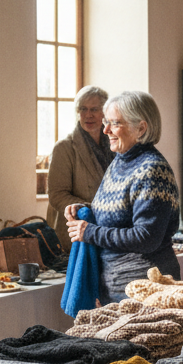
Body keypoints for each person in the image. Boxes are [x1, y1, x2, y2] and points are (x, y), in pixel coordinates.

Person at [65, 91, 180, 302]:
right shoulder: (120, 161)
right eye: (106, 122)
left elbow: (146, 237)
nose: (106, 129)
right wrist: (86, 210)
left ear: (141, 128)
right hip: (118, 286)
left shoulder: (152, 170)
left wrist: (89, 232)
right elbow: (121, 212)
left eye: (114, 123)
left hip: (144, 290)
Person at [47, 86, 113, 249]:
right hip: (76, 234)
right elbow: (57, 195)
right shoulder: (64, 148)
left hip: (107, 232)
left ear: (105, 113)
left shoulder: (114, 144)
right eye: (83, 109)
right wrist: (89, 210)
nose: (88, 115)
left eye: (94, 109)